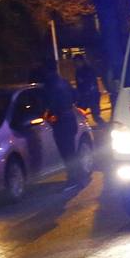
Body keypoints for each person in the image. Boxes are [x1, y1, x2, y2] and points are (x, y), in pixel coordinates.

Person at [39, 58, 85, 191]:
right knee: (71, 150)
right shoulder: (64, 82)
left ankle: (74, 179)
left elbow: (48, 103)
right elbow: (76, 96)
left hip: (61, 121)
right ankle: (79, 176)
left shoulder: (48, 84)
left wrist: (50, 114)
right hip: (70, 117)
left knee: (66, 152)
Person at [73, 54, 105, 127]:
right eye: (75, 62)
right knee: (78, 113)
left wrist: (87, 93)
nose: (76, 63)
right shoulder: (78, 71)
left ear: (82, 61)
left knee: (96, 116)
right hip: (85, 97)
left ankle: (105, 127)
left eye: (78, 61)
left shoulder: (88, 70)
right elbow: (79, 85)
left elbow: (91, 83)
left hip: (92, 96)